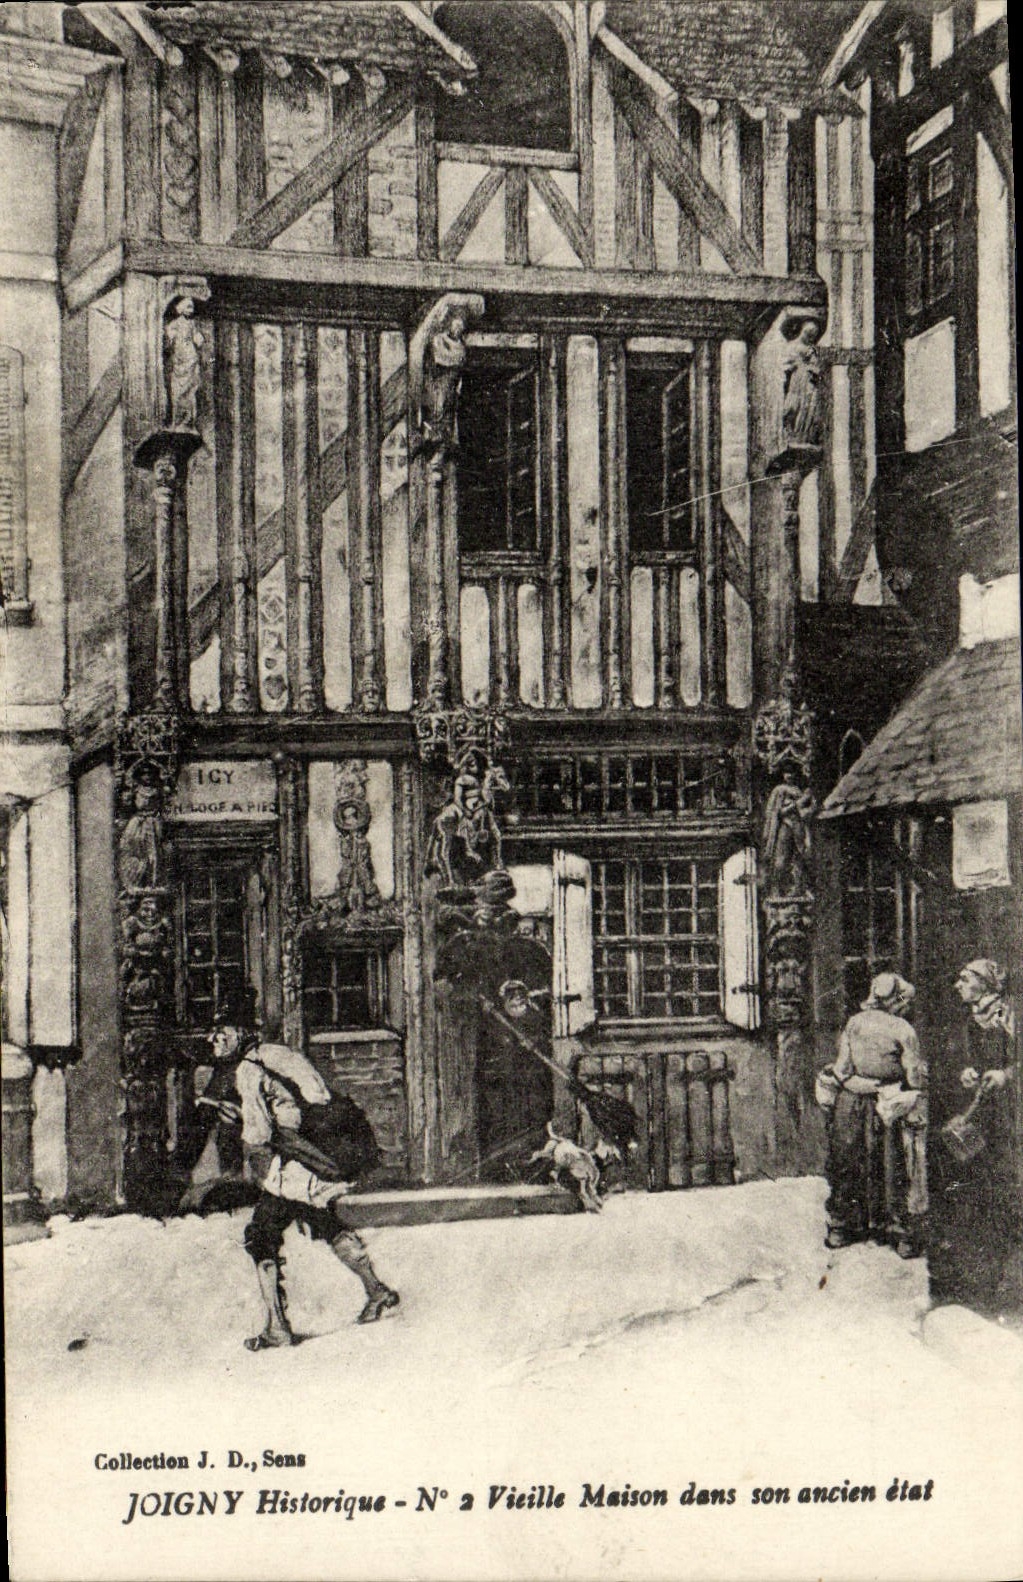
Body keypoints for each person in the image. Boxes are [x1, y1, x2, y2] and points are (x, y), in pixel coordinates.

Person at [206, 996, 398, 1349]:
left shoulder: (247, 1071)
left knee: (261, 1235)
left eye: (221, 1030)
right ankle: (377, 1290)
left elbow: (260, 1135)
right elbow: (316, 1095)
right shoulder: (279, 1053)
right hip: (316, 1156)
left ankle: (277, 1328)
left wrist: (235, 1120)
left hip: (295, 1165)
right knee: (323, 1221)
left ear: (241, 1032)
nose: (212, 1039)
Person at [820, 972, 927, 1257]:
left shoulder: (854, 1023)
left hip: (850, 1102)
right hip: (886, 1105)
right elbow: (915, 1077)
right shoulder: (903, 1029)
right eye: (904, 1000)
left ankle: (841, 1228)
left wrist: (860, 1083)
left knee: (848, 1160)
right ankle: (901, 1236)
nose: (906, 1006)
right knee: (892, 1166)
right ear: (897, 1000)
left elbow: (842, 1070)